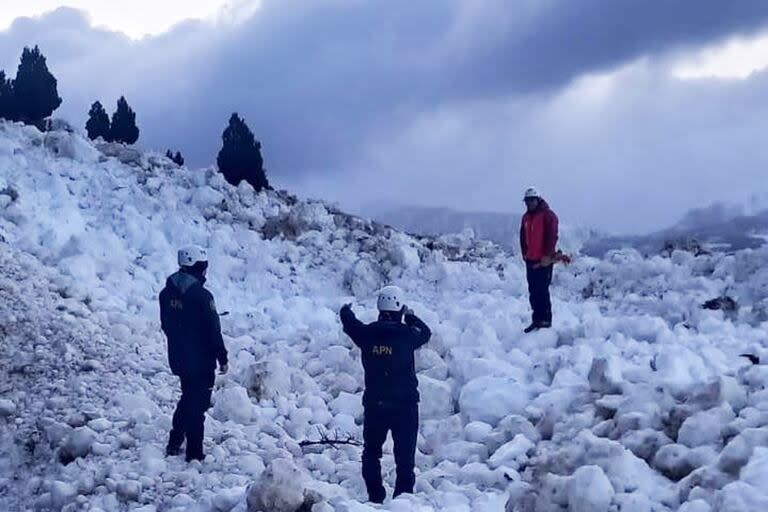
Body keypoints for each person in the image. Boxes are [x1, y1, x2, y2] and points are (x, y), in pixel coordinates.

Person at [339, 286, 432, 503]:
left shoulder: (366, 334)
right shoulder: (408, 335)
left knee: (371, 453)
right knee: (405, 458)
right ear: (399, 308)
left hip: (375, 405)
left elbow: (349, 323)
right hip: (405, 405)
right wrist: (411, 318)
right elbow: (426, 333)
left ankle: (375, 497)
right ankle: (403, 500)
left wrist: (346, 309)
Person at [159, 246, 228, 462]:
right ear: (198, 268)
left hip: (179, 358)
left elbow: (167, 325)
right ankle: (194, 454)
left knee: (187, 396)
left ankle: (175, 440)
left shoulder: (166, 293)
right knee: (197, 405)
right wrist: (222, 357)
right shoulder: (202, 297)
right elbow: (212, 330)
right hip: (201, 361)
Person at [519, 187, 559, 333]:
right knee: (533, 291)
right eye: (527, 201)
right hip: (531, 260)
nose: (529, 203)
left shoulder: (548, 216)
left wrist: (548, 255)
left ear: (538, 200)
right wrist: (524, 253)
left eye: (531, 200)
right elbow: (523, 236)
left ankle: (546, 321)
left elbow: (552, 236)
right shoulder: (526, 217)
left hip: (544, 261)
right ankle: (536, 320)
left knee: (542, 290)